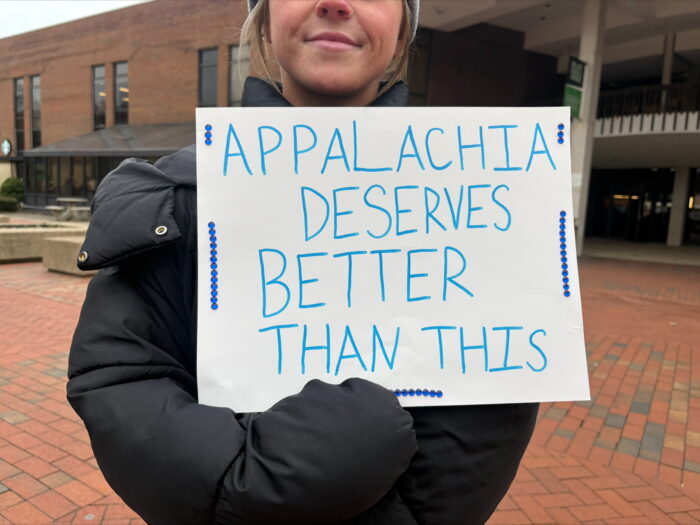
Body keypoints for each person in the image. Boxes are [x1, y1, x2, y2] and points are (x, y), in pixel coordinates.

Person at [67, 1, 538, 523]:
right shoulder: (177, 199)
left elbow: (483, 427)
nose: (335, 2)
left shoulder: (480, 202)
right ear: (264, 18)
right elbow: (122, 385)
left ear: (405, 29)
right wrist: (260, 483)